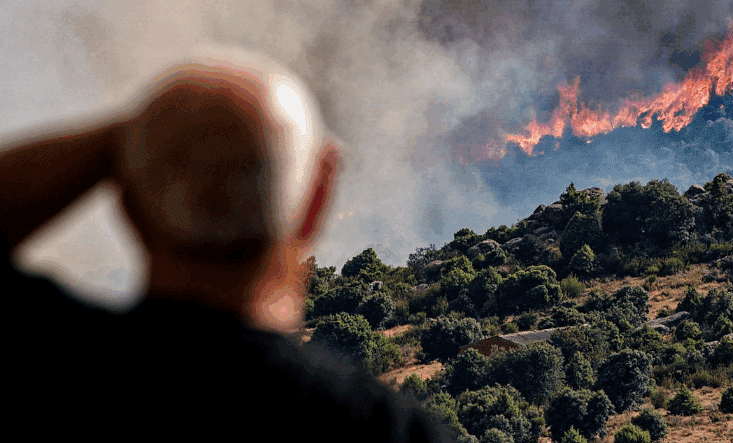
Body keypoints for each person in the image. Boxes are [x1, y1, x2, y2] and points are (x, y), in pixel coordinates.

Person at [3, 45, 458, 441]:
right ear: (317, 200)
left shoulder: (48, 359)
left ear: (127, 205)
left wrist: (148, 138)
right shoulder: (387, 430)